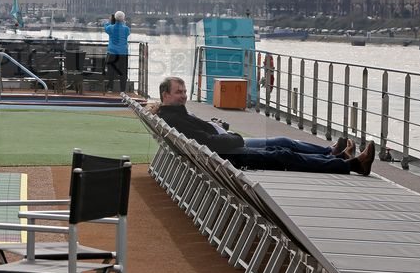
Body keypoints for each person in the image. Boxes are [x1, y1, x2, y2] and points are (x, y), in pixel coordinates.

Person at [155, 76, 374, 175]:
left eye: (184, 92)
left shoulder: (174, 113)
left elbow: (205, 136)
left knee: (283, 150)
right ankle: (351, 164)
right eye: (179, 93)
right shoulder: (175, 117)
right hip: (228, 157)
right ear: (165, 95)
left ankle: (340, 159)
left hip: (223, 153)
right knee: (284, 154)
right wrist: (234, 137)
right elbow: (207, 141)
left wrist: (219, 129)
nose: (184, 96)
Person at [104, 10, 130, 93]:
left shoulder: (110, 28)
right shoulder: (126, 29)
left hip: (112, 52)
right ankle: (122, 90)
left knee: (110, 70)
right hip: (123, 53)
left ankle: (110, 88)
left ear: (114, 18)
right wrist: (123, 23)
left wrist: (109, 21)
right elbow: (127, 33)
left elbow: (106, 28)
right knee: (123, 71)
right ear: (123, 19)